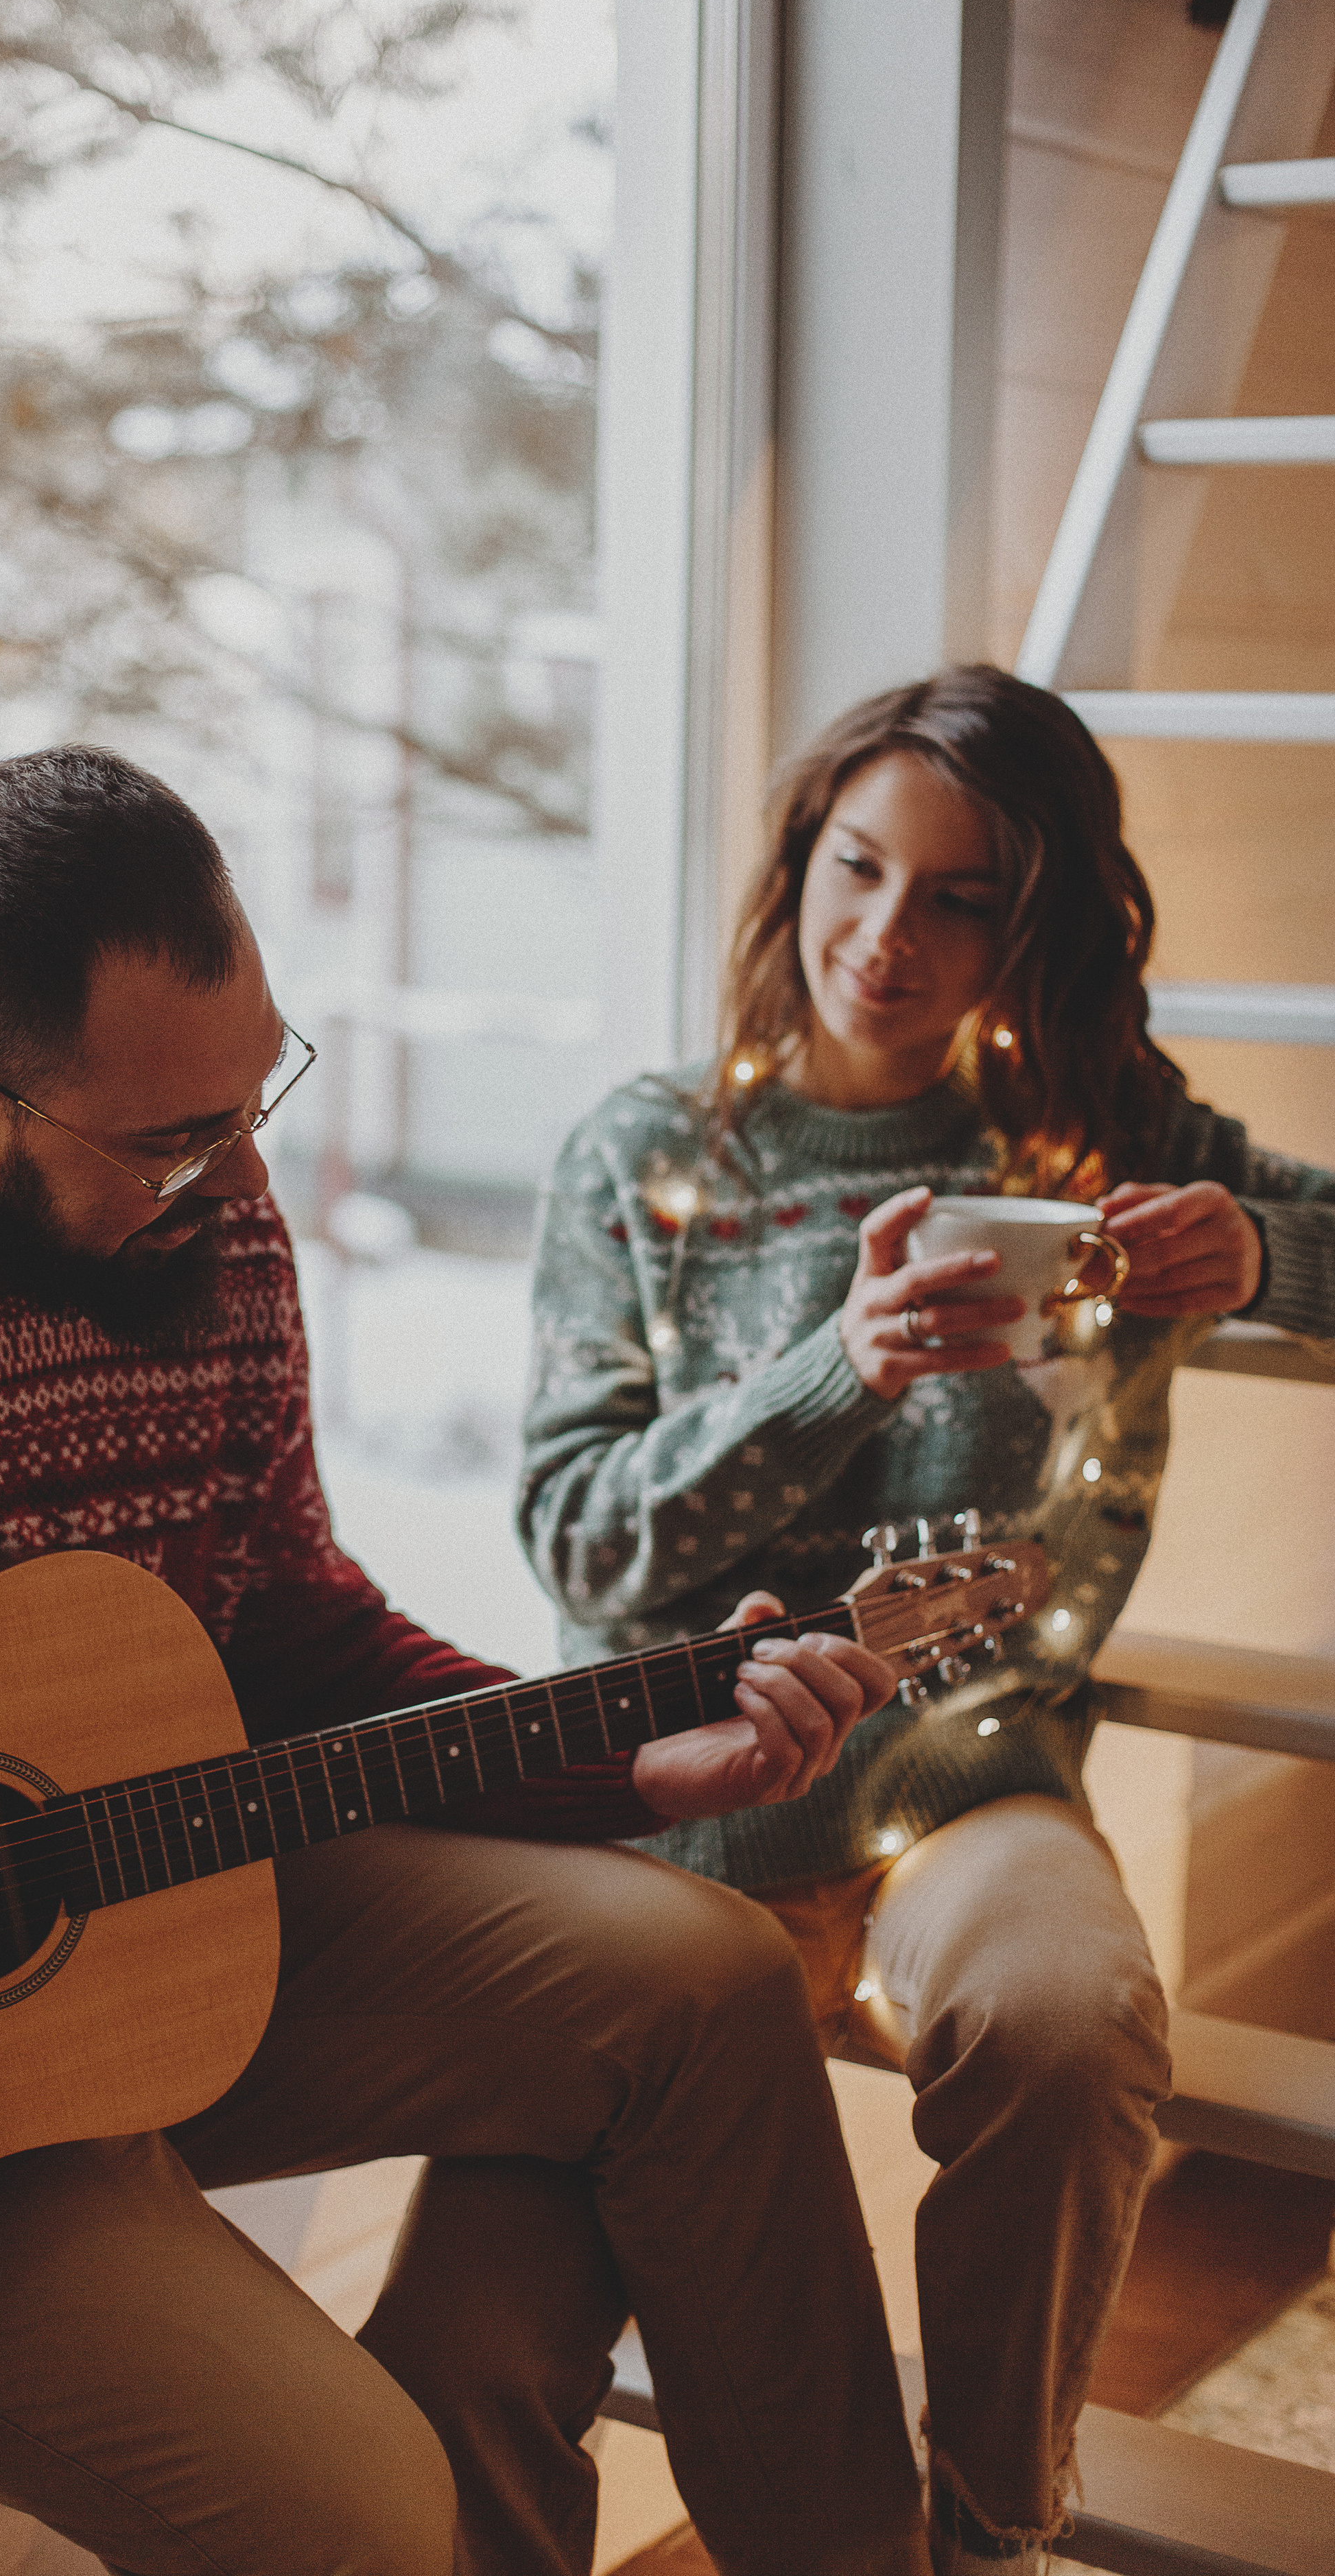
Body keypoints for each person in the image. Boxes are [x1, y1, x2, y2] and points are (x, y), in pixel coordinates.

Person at [0, 746, 933, 2576]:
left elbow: (285, 1628)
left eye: (253, 1092)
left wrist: (629, 1760)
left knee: (702, 1980)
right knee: (366, 2520)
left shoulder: (203, 1200)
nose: (236, 1171)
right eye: (170, 1139)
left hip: (148, 1927)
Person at [517, 665, 1335, 2575]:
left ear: (1034, 925)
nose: (885, 937)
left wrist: (1268, 1250)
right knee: (487, 2315)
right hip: (677, 1814)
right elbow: (586, 1552)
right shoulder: (654, 1157)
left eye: (960, 896)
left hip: (967, 1793)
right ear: (800, 856)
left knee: (1067, 2020)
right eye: (859, 867)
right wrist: (834, 1373)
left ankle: (988, 2539)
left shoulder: (1092, 1126)